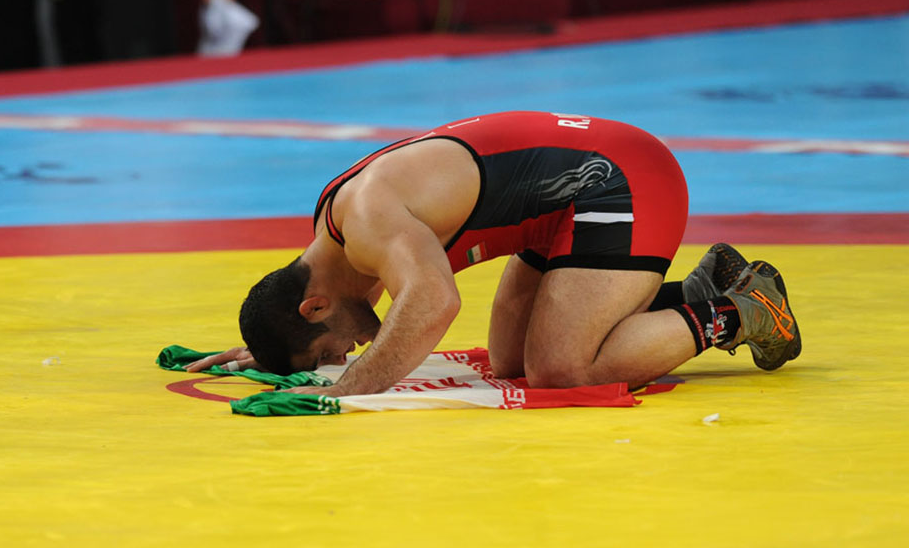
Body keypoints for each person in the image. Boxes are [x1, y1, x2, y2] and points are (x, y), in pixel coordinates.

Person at [187, 111, 800, 397]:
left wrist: (351, 385)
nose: (341, 355)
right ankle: (695, 292)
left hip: (617, 178)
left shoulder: (368, 220)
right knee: (512, 363)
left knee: (562, 371)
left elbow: (433, 302)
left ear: (315, 306)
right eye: (331, 361)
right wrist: (274, 344)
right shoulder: (335, 237)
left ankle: (743, 310)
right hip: (563, 205)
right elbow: (350, 314)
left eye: (329, 350)